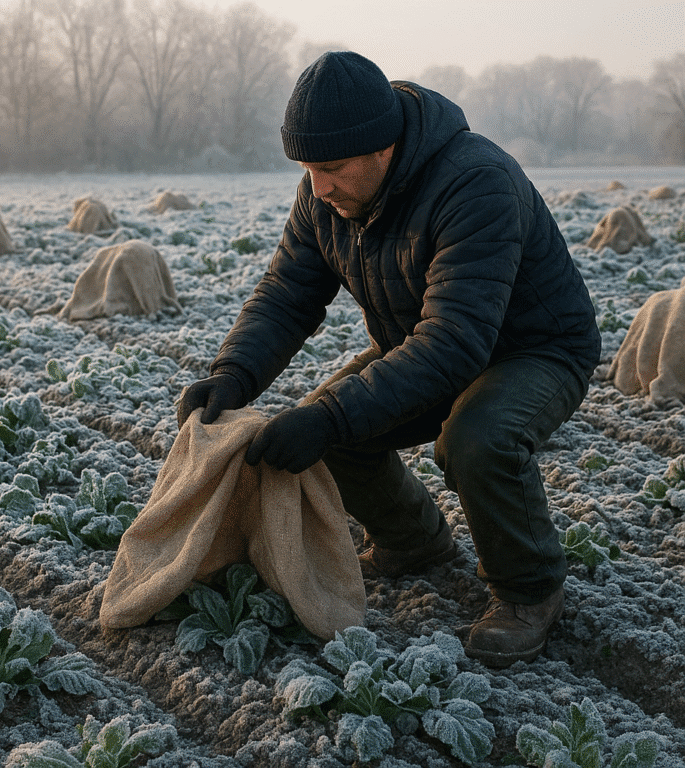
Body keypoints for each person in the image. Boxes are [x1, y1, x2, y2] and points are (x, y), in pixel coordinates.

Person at [177, 51, 601, 668]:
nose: (318, 187)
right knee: (335, 424)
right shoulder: (325, 196)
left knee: (476, 438)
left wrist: (331, 417)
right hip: (426, 340)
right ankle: (414, 543)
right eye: (307, 169)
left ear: (385, 148)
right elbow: (287, 295)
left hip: (534, 348)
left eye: (332, 168)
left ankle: (530, 589)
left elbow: (457, 340)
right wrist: (231, 375)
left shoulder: (476, 181)